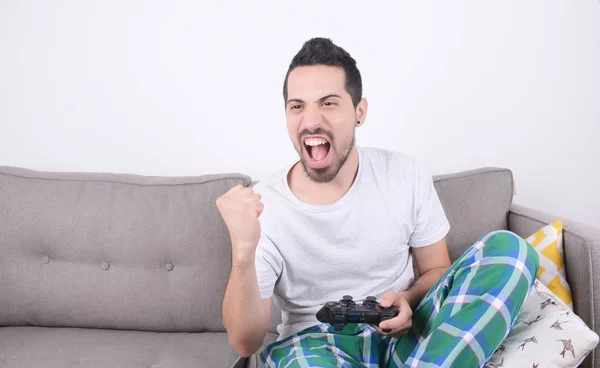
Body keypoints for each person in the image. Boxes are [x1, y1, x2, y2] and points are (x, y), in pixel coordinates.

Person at [216, 37, 539, 367]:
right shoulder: (264, 205)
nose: (310, 121)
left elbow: (436, 270)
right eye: (297, 106)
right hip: (316, 346)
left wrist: (407, 299)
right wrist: (243, 251)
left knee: (511, 251)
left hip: (406, 337)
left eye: (328, 103)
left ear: (359, 112)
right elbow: (245, 343)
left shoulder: (405, 174)